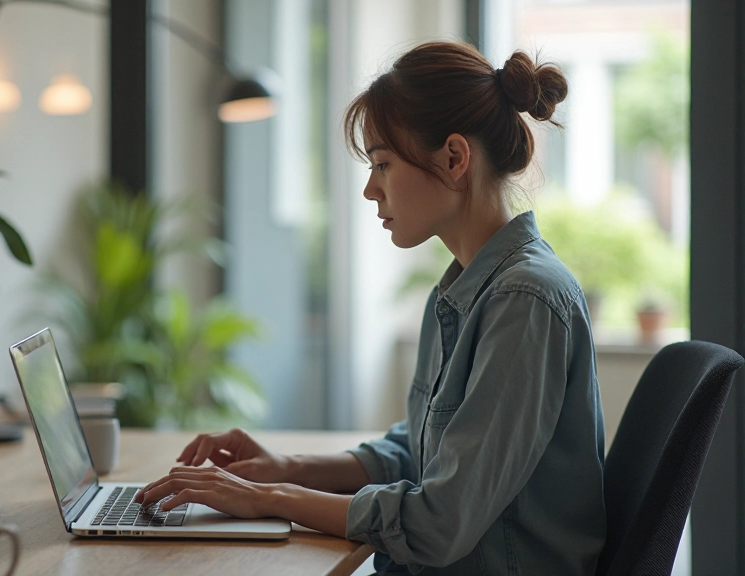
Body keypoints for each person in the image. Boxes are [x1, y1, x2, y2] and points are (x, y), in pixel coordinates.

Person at [135, 41, 605, 575]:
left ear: (454, 158)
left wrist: (268, 499)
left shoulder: (524, 301)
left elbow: (438, 523)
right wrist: (279, 469)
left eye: (382, 163)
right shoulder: (461, 293)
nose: (369, 189)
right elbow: (419, 453)